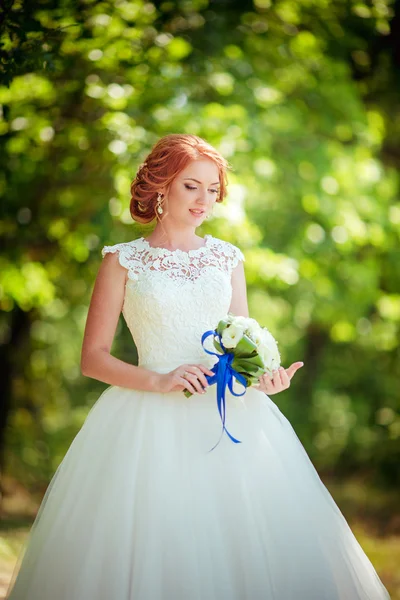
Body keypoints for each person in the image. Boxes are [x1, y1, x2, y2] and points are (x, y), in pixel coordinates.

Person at [6, 134, 391, 600]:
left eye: (213, 190)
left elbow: (242, 340)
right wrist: (160, 380)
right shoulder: (122, 261)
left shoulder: (227, 258)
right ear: (161, 186)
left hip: (230, 417)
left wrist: (265, 380)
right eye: (193, 186)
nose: (205, 200)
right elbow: (93, 358)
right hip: (144, 420)